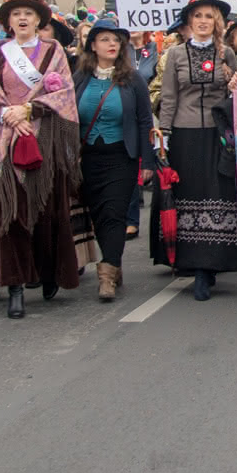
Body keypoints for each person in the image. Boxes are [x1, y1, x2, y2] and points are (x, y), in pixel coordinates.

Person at [0, 0, 83, 319]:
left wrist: (30, 109)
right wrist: (5, 114)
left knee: (48, 210)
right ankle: (15, 285)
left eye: (28, 14)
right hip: (5, 137)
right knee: (10, 213)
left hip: (44, 137)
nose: (22, 19)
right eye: (16, 14)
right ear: (8, 21)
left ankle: (50, 273)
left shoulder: (53, 51)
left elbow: (63, 93)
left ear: (38, 20)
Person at [155, 0, 237, 301]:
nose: (204, 21)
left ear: (216, 22)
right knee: (189, 195)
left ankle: (211, 264)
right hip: (185, 133)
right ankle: (194, 265)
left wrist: (236, 87)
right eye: (198, 16)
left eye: (209, 16)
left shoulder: (228, 54)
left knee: (217, 194)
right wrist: (164, 136)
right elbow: (169, 97)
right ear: (189, 22)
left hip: (217, 135)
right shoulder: (176, 55)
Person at [73, 18, 155, 302]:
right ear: (92, 45)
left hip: (122, 155)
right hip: (89, 157)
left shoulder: (133, 80)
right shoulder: (80, 77)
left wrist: (147, 163)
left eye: (116, 40)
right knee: (98, 214)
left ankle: (106, 275)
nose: (112, 44)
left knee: (114, 214)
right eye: (105, 39)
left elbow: (145, 121)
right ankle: (114, 261)